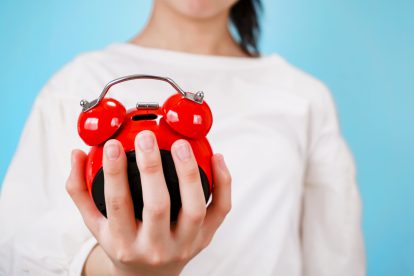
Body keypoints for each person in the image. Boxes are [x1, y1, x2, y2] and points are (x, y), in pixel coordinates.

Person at [0, 0, 365, 275]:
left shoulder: (304, 98)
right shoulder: (76, 82)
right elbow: (16, 251)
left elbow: (336, 262)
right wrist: (123, 269)